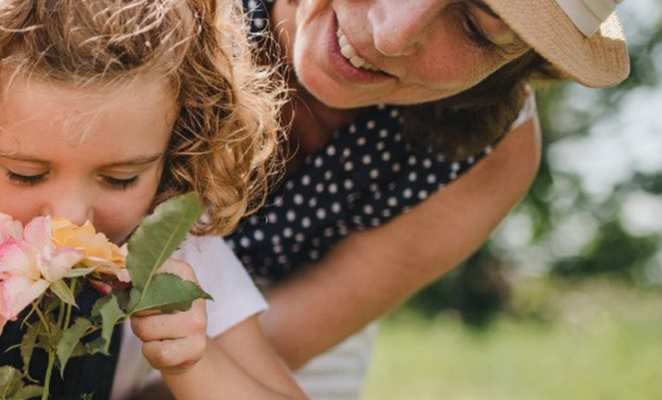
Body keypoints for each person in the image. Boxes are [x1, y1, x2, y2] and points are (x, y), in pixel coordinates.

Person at [0, 0, 308, 399]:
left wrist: (194, 363)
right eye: (26, 175)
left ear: (178, 146)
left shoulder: (168, 251)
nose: (70, 218)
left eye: (120, 179)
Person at [209, 1, 630, 399]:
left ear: (520, 61)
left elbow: (275, 346)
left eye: (475, 28)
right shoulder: (174, 14)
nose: (392, 35)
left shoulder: (492, 156)